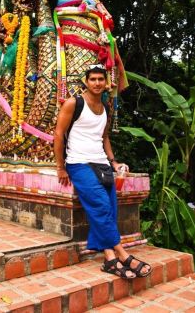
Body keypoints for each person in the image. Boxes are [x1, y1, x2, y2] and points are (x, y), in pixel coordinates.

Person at [54, 64, 152, 279]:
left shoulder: (106, 107)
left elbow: (104, 136)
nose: (97, 83)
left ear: (106, 82)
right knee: (100, 204)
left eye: (101, 79)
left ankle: (109, 258)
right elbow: (59, 135)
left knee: (110, 208)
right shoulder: (74, 103)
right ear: (86, 82)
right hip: (78, 163)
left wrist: (114, 162)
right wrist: (60, 167)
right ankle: (123, 254)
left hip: (102, 164)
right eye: (93, 79)